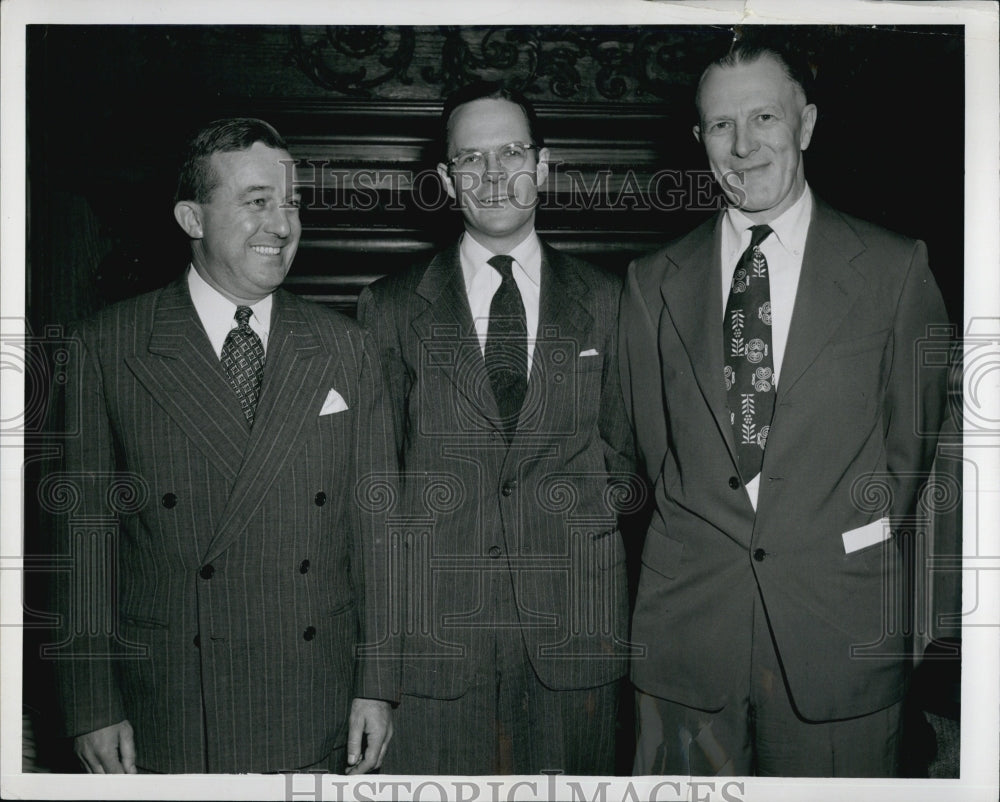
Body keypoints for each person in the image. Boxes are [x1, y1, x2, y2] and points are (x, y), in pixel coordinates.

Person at [619, 42, 949, 777]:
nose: (742, 145)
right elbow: (652, 452)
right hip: (688, 641)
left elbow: (908, 457)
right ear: (699, 140)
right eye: (719, 126)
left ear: (805, 124)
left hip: (839, 635)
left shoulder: (896, 271)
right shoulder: (650, 284)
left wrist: (833, 542)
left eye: (764, 116)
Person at [50, 118, 397, 774]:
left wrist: (378, 685)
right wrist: (90, 703)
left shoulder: (345, 345)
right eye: (257, 202)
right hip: (172, 702)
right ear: (192, 217)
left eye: (291, 202)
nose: (283, 224)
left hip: (313, 700)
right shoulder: (108, 346)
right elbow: (84, 542)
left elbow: (379, 530)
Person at [357, 82, 635, 774]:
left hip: (579, 642)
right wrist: (376, 673)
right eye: (471, 160)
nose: (493, 175)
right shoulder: (389, 306)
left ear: (541, 166)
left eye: (510, 152)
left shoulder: (612, 299)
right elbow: (374, 493)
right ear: (448, 180)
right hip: (434, 652)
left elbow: (631, 462)